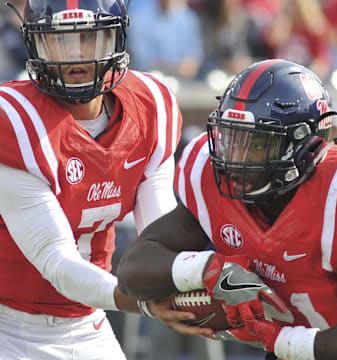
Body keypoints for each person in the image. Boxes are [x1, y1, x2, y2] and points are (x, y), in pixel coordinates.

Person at [118, 59, 337, 360]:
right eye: (231, 139)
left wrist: (281, 340)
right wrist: (207, 269)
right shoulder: (209, 179)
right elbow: (132, 270)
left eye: (256, 144)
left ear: (303, 144)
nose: (235, 159)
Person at [0, 0, 191, 359]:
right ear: (34, 44)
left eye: (88, 37)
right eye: (60, 40)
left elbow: (158, 237)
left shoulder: (152, 105)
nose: (75, 54)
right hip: (9, 328)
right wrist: (145, 304)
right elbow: (57, 263)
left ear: (115, 38)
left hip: (90, 323)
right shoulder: (14, 121)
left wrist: (195, 281)